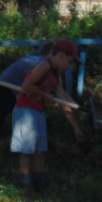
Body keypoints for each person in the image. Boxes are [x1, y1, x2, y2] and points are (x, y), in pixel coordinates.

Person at [11, 40, 84, 191]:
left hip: (39, 112)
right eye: (69, 62)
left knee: (41, 151)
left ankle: (39, 183)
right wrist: (45, 95)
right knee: (27, 151)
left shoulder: (56, 76)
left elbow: (63, 101)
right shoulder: (45, 65)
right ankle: (25, 184)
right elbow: (26, 86)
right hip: (26, 112)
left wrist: (75, 127)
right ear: (61, 56)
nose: (69, 66)